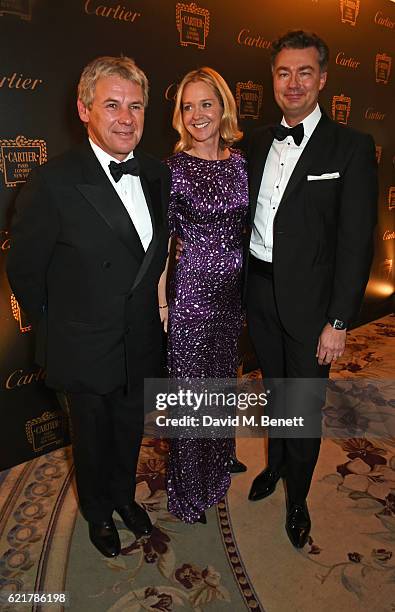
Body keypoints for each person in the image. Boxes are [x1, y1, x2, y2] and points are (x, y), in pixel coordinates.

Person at [7, 56, 170, 558]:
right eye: (113, 105)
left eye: (136, 106)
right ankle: (98, 512)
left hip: (140, 337)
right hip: (84, 343)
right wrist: (63, 328)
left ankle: (122, 497)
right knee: (92, 440)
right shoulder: (53, 181)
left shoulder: (158, 174)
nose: (127, 118)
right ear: (84, 110)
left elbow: (154, 257)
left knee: (127, 431)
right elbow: (25, 271)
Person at [246, 31, 378, 547]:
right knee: (274, 393)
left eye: (305, 72)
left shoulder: (351, 146)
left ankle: (297, 495)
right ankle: (275, 465)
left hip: (314, 309)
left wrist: (339, 320)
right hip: (258, 292)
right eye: (283, 72)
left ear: (322, 78)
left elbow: (354, 246)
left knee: (302, 407)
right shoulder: (256, 142)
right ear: (273, 80)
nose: (293, 83)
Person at [158, 67, 249, 524]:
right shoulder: (172, 170)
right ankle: (189, 489)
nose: (197, 115)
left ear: (223, 107)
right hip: (191, 293)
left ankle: (217, 461)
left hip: (231, 297)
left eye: (205, 104)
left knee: (221, 385)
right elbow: (160, 245)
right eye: (187, 106)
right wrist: (162, 305)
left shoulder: (240, 164)